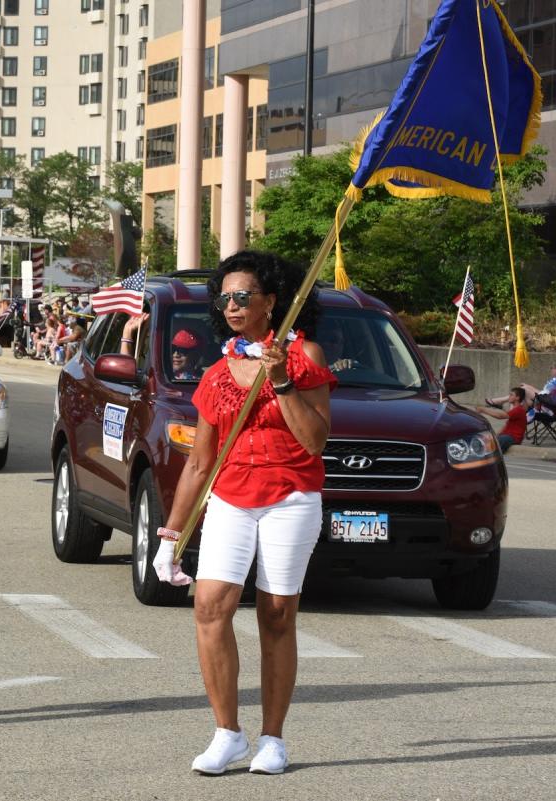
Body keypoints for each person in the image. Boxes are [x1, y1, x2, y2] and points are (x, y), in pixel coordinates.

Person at [154, 250, 335, 777]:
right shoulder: (215, 374)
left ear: (272, 301)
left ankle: (272, 739)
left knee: (277, 613)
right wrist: (170, 535)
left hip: (292, 495)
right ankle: (227, 733)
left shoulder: (305, 357)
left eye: (243, 296)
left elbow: (316, 441)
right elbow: (199, 463)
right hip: (232, 498)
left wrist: (281, 381)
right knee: (209, 606)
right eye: (224, 298)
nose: (231, 305)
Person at [474, 387, 528, 453]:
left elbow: (500, 416)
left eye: (511, 395)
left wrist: (483, 410)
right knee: (483, 439)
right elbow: (506, 425)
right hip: (506, 436)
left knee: (495, 445)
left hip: (512, 438)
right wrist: (496, 435)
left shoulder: (519, 410)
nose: (509, 397)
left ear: (517, 398)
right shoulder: (515, 410)